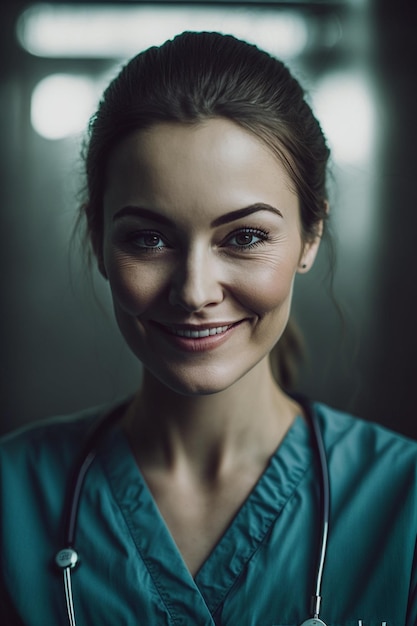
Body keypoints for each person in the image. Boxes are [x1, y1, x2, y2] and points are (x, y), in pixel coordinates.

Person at [1, 31, 416, 626]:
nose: (195, 291)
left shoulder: (406, 503)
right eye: (149, 238)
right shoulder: (12, 495)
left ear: (310, 235)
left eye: (245, 237)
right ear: (97, 241)